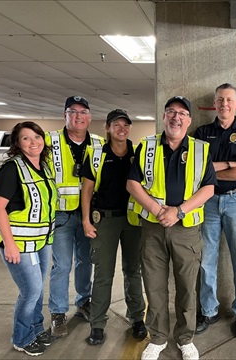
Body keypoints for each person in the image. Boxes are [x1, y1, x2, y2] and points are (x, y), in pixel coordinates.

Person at [127, 96, 216, 360]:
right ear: (164, 117)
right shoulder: (147, 146)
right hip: (152, 227)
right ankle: (158, 338)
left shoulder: (201, 149)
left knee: (187, 287)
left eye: (182, 114)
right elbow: (133, 184)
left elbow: (208, 188)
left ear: (189, 120)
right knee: (154, 285)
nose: (176, 117)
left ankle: (185, 338)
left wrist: (178, 211)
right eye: (171, 112)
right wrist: (157, 211)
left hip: (186, 228)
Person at [194, 83, 236, 338]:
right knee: (207, 260)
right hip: (208, 202)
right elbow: (198, 169)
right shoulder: (202, 132)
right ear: (215, 103)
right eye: (220, 100)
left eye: (229, 100)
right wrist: (231, 163)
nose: (225, 104)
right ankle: (209, 310)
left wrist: (215, 168)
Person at [0, 122, 58, 356]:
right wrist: (9, 243)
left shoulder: (44, 167)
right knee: (30, 291)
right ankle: (22, 337)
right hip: (18, 242)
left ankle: (36, 328)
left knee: (38, 290)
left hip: (41, 240)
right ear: (17, 143)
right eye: (26, 138)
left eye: (37, 136)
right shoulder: (11, 168)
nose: (34, 142)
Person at [80, 109, 146, 345]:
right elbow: (86, 190)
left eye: (125, 125)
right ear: (107, 128)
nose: (121, 128)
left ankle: (138, 318)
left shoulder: (138, 153)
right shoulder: (96, 154)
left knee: (133, 271)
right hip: (104, 221)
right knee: (103, 274)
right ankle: (97, 324)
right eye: (116, 124)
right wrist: (86, 220)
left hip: (132, 221)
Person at [46, 96, 105, 337]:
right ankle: (58, 313)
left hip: (89, 215)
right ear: (65, 115)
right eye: (73, 111)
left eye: (83, 112)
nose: (78, 116)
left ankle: (83, 302)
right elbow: (24, 160)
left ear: (90, 117)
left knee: (85, 261)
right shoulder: (49, 141)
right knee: (61, 265)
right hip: (61, 214)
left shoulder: (101, 144)